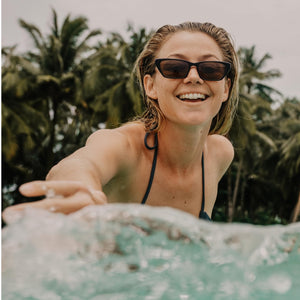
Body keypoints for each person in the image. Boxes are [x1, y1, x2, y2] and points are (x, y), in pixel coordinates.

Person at [2, 22, 239, 222]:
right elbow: (79, 165)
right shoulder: (124, 147)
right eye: (174, 68)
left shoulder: (219, 155)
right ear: (150, 86)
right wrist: (81, 189)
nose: (193, 77)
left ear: (226, 88)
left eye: (211, 69)